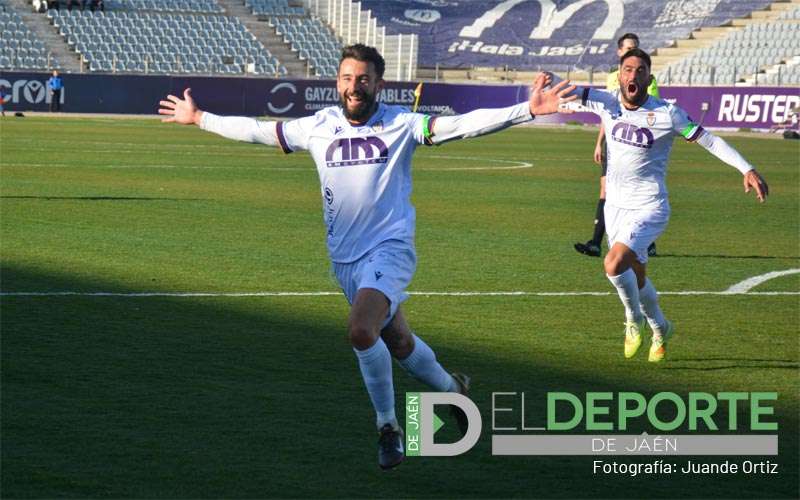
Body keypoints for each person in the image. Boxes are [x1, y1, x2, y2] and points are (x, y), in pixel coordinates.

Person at [158, 44, 575, 469]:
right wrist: (199, 117)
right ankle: (455, 390)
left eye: (362, 79)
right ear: (337, 83)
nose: (353, 87)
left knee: (361, 331)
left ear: (379, 84)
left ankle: (388, 427)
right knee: (399, 342)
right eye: (347, 78)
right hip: (345, 260)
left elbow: (462, 125)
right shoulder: (318, 127)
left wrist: (526, 109)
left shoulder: (401, 124)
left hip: (389, 249)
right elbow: (259, 131)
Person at [559, 48, 768, 363]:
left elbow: (709, 140)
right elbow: (568, 91)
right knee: (637, 276)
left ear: (649, 78)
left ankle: (633, 319)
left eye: (640, 71)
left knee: (613, 264)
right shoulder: (606, 102)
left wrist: (746, 168)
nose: (633, 75)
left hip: (649, 206)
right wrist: (547, 82)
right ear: (619, 76)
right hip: (615, 207)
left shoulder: (668, 114)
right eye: (628, 69)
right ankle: (661, 327)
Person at [575, 33, 660, 258]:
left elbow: (652, 111)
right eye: (628, 48)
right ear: (619, 52)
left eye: (636, 48)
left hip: (638, 143)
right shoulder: (614, 77)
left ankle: (645, 240)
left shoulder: (647, 78)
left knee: (637, 191)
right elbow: (608, 114)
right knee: (606, 189)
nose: (632, 52)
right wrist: (599, 143)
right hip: (614, 142)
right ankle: (596, 242)